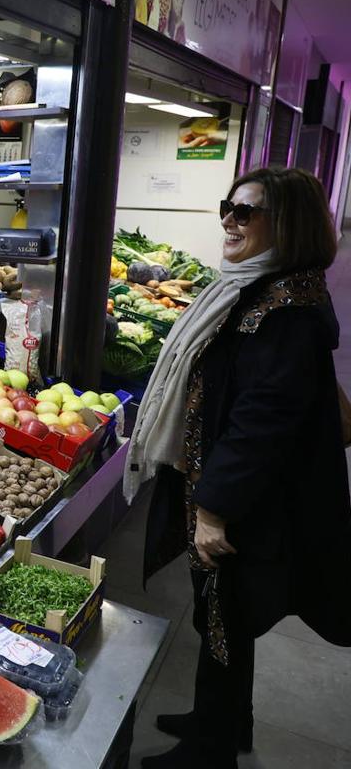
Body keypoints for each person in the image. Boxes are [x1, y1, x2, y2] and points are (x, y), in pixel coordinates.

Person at [126, 167, 351, 768]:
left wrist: (214, 510)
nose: (229, 219)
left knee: (226, 613)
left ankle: (211, 750)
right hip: (234, 483)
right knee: (221, 613)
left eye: (246, 212)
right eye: (229, 207)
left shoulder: (286, 311)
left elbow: (262, 421)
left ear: (289, 226)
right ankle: (223, 720)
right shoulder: (263, 288)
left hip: (250, 501)